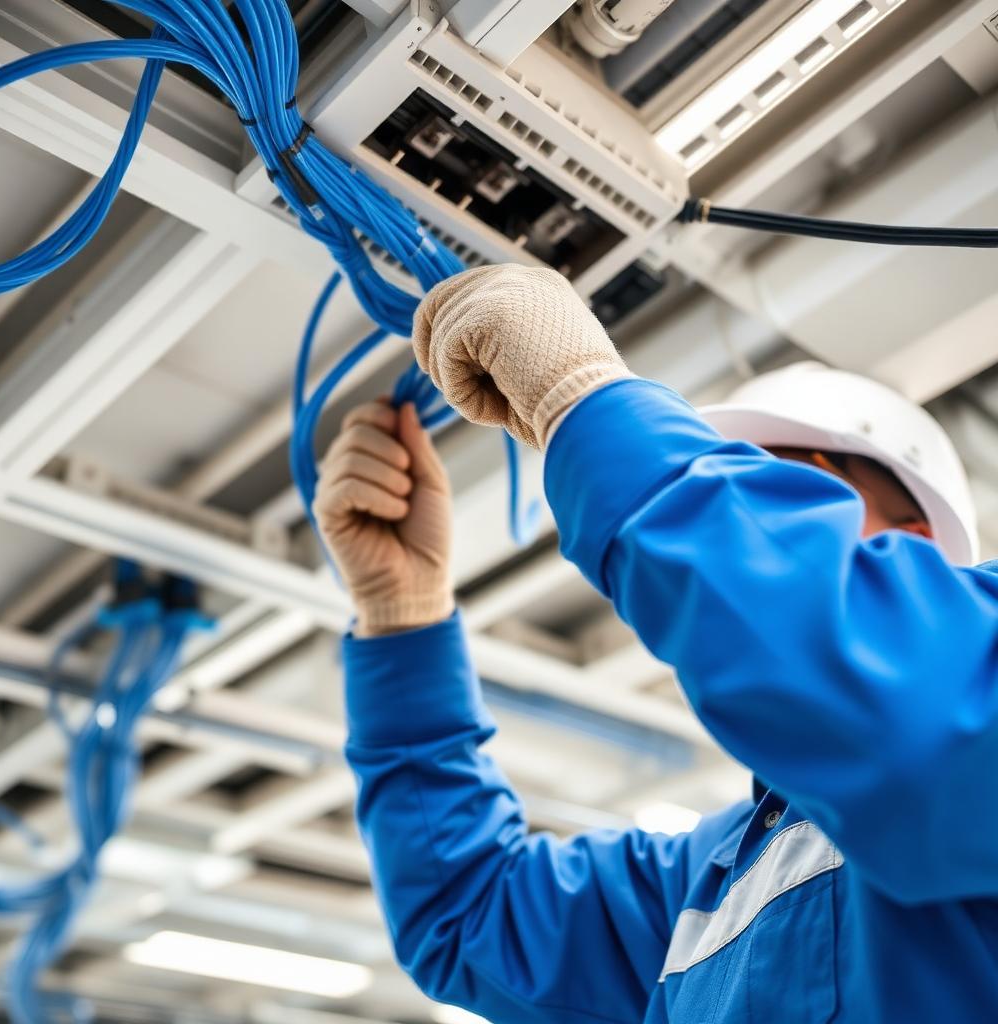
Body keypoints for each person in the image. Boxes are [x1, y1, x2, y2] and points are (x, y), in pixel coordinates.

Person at [314, 265, 998, 1024]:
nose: (742, 509)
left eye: (788, 489)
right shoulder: (714, 882)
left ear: (922, 552)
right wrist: (403, 617)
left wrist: (580, 396)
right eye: (740, 484)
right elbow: (470, 913)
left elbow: (908, 728)